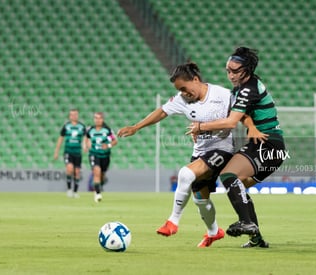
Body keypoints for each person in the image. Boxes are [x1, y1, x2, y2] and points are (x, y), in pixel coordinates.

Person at [118, 62, 235, 247]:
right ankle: (214, 232)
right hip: (201, 152)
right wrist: (136, 127)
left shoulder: (222, 94)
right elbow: (162, 112)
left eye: (184, 88)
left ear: (195, 80)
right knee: (201, 200)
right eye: (179, 90)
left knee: (185, 174)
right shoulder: (182, 100)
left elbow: (240, 115)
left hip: (223, 148)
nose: (183, 93)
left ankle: (173, 221)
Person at [188, 47, 286, 248]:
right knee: (236, 186)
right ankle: (256, 239)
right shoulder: (242, 89)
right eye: (227, 70)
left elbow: (232, 121)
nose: (230, 75)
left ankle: (247, 222)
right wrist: (250, 126)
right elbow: (243, 115)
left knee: (228, 176)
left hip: (268, 144)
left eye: (235, 71)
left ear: (247, 70)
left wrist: (200, 126)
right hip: (266, 145)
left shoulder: (248, 88)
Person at [85, 112, 118, 202]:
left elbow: (115, 141)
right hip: (94, 154)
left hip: (105, 155)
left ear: (102, 119)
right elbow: (87, 137)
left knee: (102, 175)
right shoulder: (90, 130)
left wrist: (108, 146)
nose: (97, 120)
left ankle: (99, 186)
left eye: (99, 118)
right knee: (96, 171)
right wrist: (86, 145)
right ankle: (98, 193)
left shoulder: (107, 130)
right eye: (96, 118)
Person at [54, 109, 86, 198]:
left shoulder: (82, 126)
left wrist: (84, 145)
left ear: (78, 115)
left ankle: (75, 191)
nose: (74, 116)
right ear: (69, 116)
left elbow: (85, 138)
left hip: (77, 152)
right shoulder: (66, 126)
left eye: (75, 114)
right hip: (68, 151)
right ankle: (69, 189)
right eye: (72, 115)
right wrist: (56, 151)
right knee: (69, 168)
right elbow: (60, 138)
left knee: (77, 171)